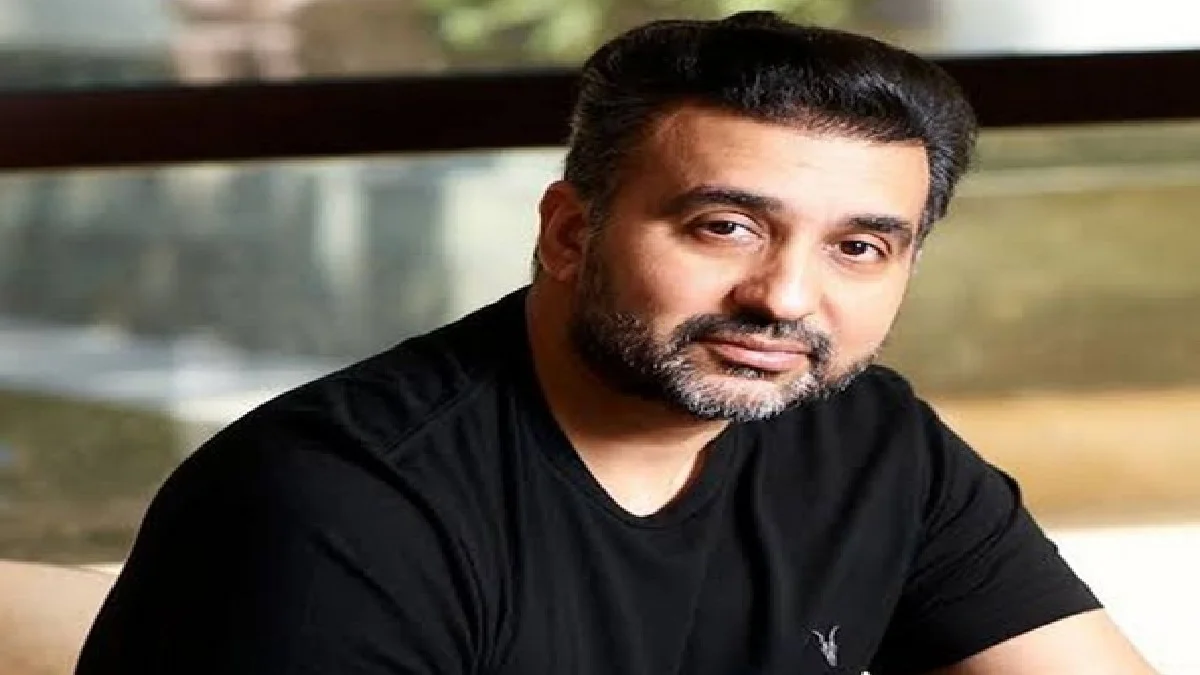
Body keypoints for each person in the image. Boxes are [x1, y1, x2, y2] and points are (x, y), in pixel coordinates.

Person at [76, 11, 1157, 675]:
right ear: (569, 231)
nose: (784, 297)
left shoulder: (873, 443)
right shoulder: (333, 505)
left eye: (859, 247)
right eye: (724, 226)